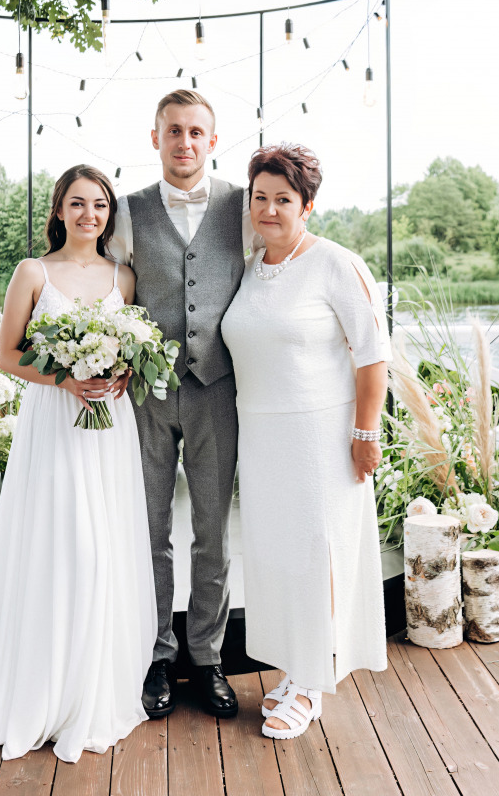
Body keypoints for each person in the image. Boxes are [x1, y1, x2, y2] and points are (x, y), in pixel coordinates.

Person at [0, 164, 157, 763]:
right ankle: (41, 692)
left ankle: (93, 690)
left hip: (108, 431)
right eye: (79, 203)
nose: (91, 215)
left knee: (104, 551)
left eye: (101, 205)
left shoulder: (125, 277)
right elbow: (7, 355)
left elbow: (132, 353)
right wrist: (67, 378)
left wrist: (119, 372)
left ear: (110, 214)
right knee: (61, 547)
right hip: (53, 426)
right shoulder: (33, 272)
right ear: (59, 210)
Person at [221, 143, 390, 740]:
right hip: (263, 437)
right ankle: (297, 669)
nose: (269, 209)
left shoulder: (337, 265)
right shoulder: (248, 266)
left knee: (319, 556)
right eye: (259, 197)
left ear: (308, 205)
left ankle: (315, 685)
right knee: (280, 559)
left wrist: (364, 434)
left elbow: (373, 357)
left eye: (283, 199)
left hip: (322, 438)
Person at [109, 89, 253, 719]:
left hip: (216, 389)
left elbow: (280, 265)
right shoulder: (127, 210)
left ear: (213, 140)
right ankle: (157, 654)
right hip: (145, 392)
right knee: (149, 529)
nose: (185, 143)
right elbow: (107, 291)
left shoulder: (244, 206)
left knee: (212, 532)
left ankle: (208, 655)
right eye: (174, 131)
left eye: (197, 132)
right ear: (156, 138)